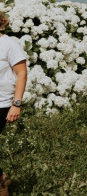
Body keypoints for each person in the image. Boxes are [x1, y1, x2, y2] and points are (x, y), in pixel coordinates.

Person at [0, 11, 26, 196]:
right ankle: (2, 179)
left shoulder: (9, 44)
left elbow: (22, 73)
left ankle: (2, 179)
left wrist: (16, 104)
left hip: (2, 103)